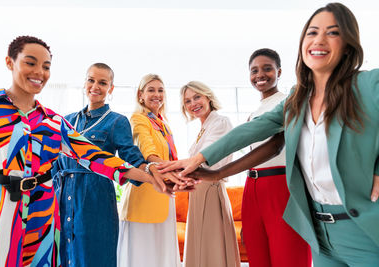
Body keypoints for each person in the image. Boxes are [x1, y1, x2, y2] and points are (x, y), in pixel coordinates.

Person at [159, 3, 379, 266]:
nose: (319, 39)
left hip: (362, 229)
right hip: (320, 232)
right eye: (312, 32)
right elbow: (253, 130)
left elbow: (274, 147)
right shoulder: (298, 99)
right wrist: (201, 161)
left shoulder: (368, 84)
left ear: (349, 44)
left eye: (332, 32)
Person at [0, 36, 174, 267]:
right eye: (30, 63)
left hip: (44, 210)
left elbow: (99, 158)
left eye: (46, 66)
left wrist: (152, 177)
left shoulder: (53, 121)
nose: (39, 72)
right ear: (10, 62)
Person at [52, 63, 162, 266]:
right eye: (91, 80)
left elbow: (132, 157)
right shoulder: (65, 121)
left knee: (95, 255)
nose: (95, 86)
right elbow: (53, 163)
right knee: (64, 255)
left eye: (103, 83)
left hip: (96, 198)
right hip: (62, 196)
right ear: (85, 83)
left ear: (110, 88)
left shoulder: (116, 121)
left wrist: (151, 172)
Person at [238, 49, 310, 266]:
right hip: (252, 185)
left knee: (288, 254)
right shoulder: (255, 111)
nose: (260, 74)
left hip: (280, 183)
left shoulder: (289, 101)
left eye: (267, 68)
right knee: (258, 255)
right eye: (254, 70)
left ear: (279, 71)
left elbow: (277, 146)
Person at [118, 74, 181, 267]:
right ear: (140, 95)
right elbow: (147, 151)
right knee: (142, 257)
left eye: (160, 90)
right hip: (144, 195)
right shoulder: (138, 119)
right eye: (151, 90)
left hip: (164, 194)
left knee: (161, 255)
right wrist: (162, 166)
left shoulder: (163, 124)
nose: (157, 94)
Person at [180, 81, 240, 267]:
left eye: (197, 97)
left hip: (210, 190)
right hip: (199, 191)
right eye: (188, 101)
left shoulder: (220, 122)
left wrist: (171, 168)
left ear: (208, 97)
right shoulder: (205, 127)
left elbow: (205, 159)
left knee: (212, 248)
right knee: (200, 247)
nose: (193, 104)